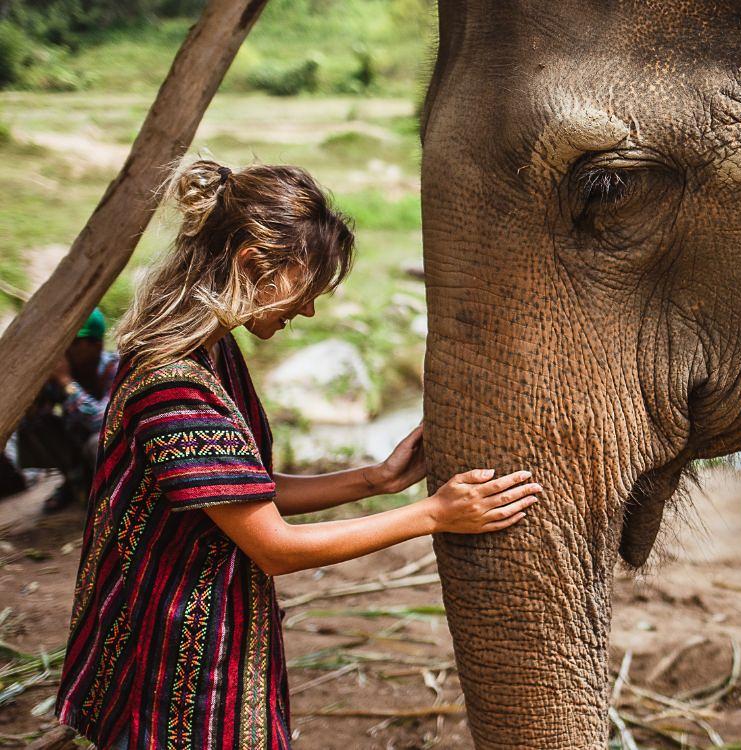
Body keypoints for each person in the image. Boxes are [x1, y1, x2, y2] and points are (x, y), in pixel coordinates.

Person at [54, 160, 541, 750]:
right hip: (179, 662)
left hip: (211, 628)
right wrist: (432, 515)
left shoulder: (210, 352)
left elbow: (244, 490)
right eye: (304, 289)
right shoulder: (173, 386)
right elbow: (274, 546)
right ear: (253, 265)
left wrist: (374, 479)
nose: (306, 310)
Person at [12, 308, 120, 512]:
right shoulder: (65, 370)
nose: (66, 350)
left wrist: (66, 382)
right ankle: (74, 482)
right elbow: (38, 415)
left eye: (74, 343)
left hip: (107, 448)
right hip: (75, 447)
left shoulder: (114, 368)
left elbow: (103, 421)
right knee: (33, 424)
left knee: (96, 441)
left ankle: (112, 493)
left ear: (96, 345)